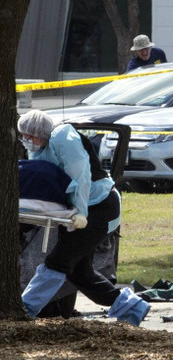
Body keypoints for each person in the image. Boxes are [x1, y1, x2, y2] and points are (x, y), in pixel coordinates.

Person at [17, 110, 150, 326]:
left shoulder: (62, 137)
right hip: (77, 211)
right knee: (79, 272)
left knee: (58, 262)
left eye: (30, 136)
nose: (27, 141)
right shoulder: (40, 149)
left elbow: (81, 176)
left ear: (41, 132)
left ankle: (25, 309)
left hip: (98, 209)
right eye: (23, 136)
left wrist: (80, 212)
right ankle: (133, 306)